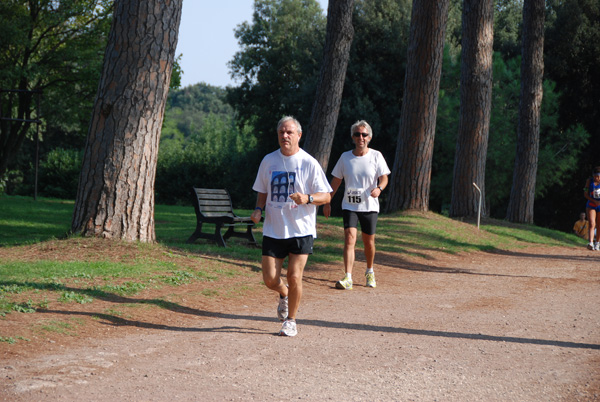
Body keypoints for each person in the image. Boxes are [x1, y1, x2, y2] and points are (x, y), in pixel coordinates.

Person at [251, 116, 332, 337]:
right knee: (269, 279)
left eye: (289, 132)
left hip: (301, 230)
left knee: (295, 276)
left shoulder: (308, 162)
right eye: (281, 133)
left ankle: (291, 320)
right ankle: (283, 294)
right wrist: (258, 209)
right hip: (274, 230)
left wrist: (307, 198)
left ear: (299, 135)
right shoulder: (269, 160)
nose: (285, 136)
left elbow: (326, 195)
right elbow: (262, 190)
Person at [323, 120, 391, 290]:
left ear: (369, 137)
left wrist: (379, 189)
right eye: (357, 134)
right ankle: (348, 277)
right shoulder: (345, 157)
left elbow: (384, 178)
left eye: (364, 134)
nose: (361, 137)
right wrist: (327, 201)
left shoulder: (376, 156)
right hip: (350, 206)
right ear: (352, 137)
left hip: (369, 206)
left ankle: (370, 271)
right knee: (349, 238)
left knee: (368, 242)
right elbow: (336, 182)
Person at [584, 166, 600, 250]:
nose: (596, 178)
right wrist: (594, 201)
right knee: (592, 223)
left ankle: (597, 243)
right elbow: (585, 194)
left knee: (599, 224)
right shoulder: (589, 181)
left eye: (598, 176)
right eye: (595, 176)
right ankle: (590, 242)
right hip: (591, 204)